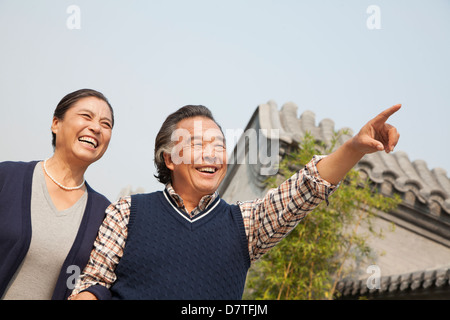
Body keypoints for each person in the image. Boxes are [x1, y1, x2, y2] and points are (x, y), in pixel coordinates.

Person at [69, 103, 401, 300]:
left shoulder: (244, 224)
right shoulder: (129, 212)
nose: (211, 154)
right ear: (169, 159)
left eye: (218, 145)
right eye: (198, 144)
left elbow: (306, 189)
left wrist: (354, 148)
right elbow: (94, 282)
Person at [0, 89, 115, 300]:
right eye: (86, 116)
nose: (96, 127)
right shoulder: (6, 177)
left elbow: (104, 279)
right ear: (56, 124)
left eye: (106, 124)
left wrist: (95, 293)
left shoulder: (106, 214)